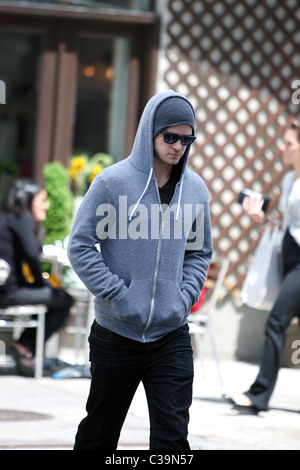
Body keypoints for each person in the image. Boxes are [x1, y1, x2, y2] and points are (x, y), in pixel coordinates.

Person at [68, 89, 213, 450]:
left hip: (172, 333)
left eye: (186, 139)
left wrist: (183, 297)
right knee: (100, 434)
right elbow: (81, 245)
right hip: (116, 334)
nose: (178, 146)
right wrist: (117, 293)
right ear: (151, 130)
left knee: (172, 439)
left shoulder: (195, 191)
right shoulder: (112, 183)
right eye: (170, 137)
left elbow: (200, 252)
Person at [224, 119, 300, 413]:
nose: (282, 148)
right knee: (278, 323)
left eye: (289, 143)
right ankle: (259, 394)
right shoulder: (287, 180)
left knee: (276, 323)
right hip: (289, 259)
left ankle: (258, 395)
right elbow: (289, 224)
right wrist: (262, 219)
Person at [0, 180, 73, 376]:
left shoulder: (12, 218)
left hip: (9, 288)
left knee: (55, 297)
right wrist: (43, 285)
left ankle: (24, 345)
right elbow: (32, 255)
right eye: (42, 199)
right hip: (9, 292)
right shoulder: (21, 218)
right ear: (29, 201)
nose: (47, 205)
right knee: (64, 299)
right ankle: (24, 346)